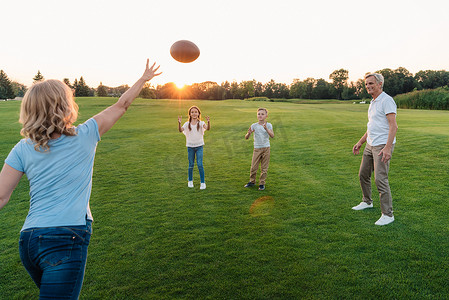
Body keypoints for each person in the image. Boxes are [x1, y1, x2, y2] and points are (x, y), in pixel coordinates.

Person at [0, 59, 161, 298]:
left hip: (29, 241)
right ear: (64, 106)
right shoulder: (85, 134)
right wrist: (143, 79)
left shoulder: (22, 148)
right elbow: (122, 104)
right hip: (66, 238)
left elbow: (1, 196)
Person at [352, 73, 398, 226]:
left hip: (381, 146)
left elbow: (393, 126)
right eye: (366, 84)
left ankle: (388, 214)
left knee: (380, 179)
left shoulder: (387, 100)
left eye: (371, 83)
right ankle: (367, 201)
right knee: (363, 175)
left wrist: (387, 148)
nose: (368, 86)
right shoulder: (373, 102)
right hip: (370, 144)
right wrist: (360, 142)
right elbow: (371, 126)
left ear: (380, 84)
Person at [178, 106, 210, 190]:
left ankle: (202, 182)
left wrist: (208, 122)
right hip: (190, 147)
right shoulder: (186, 124)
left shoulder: (201, 123)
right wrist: (179, 123)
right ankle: (190, 181)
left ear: (199, 113)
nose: (194, 113)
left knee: (200, 164)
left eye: (196, 112)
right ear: (190, 114)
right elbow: (180, 130)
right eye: (192, 112)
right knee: (191, 165)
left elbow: (208, 128)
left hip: (199, 146)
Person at [244, 107, 274, 191]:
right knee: (253, 167)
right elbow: (246, 137)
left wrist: (266, 129)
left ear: (266, 116)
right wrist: (248, 133)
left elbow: (272, 135)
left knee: (264, 168)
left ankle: (262, 184)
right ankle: (252, 181)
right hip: (257, 148)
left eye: (262, 114)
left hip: (266, 148)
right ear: (257, 115)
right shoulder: (254, 125)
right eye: (259, 114)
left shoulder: (269, 125)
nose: (260, 115)